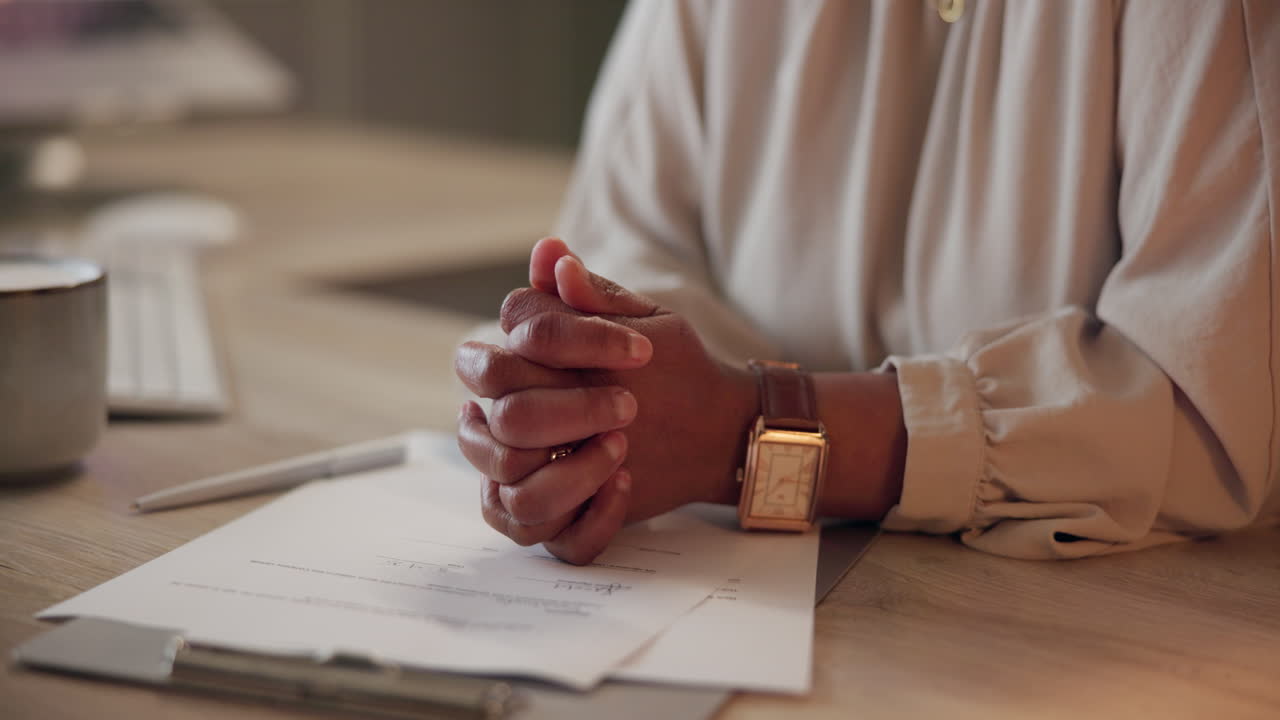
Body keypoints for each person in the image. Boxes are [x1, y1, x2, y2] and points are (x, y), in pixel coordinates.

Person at [455, 0, 1279, 564]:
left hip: (1091, 646)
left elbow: (1217, 415)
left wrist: (748, 434)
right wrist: (581, 403)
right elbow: (622, 247)